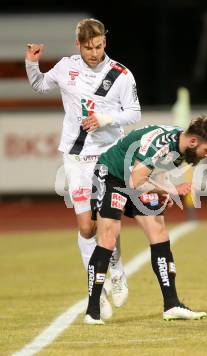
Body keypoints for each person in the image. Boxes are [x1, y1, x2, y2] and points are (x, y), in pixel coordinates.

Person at [25, 18, 141, 319]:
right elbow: (39, 85)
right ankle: (97, 289)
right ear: (78, 45)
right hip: (76, 156)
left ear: (105, 42)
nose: (95, 52)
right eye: (89, 47)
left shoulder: (120, 75)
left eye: (100, 46)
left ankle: (115, 271)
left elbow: (133, 113)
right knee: (86, 228)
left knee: (107, 221)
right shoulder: (66, 67)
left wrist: (105, 119)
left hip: (110, 155)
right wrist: (31, 63)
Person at [84, 115, 207, 324]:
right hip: (111, 174)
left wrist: (163, 192)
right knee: (108, 237)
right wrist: (171, 190)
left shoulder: (181, 148)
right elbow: (135, 180)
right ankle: (92, 311)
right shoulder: (161, 144)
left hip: (137, 178)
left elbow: (157, 171)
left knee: (159, 232)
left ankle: (172, 304)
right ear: (194, 141)